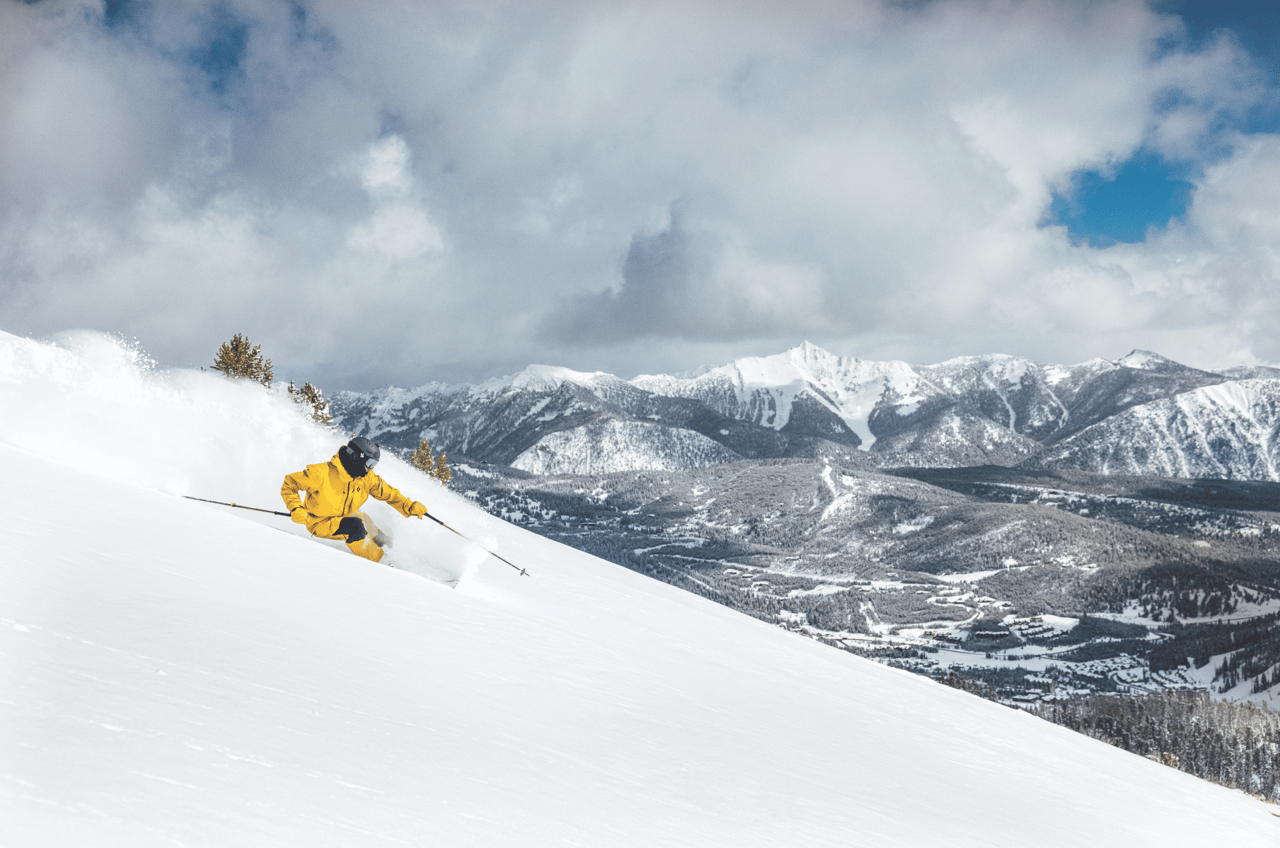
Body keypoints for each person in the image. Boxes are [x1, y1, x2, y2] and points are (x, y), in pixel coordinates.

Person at [280, 436, 428, 563]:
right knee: (355, 526)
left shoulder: (366, 478)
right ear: (356, 458)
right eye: (369, 464)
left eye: (373, 465)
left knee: (366, 521)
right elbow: (290, 483)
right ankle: (382, 562)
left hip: (346, 516)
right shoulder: (321, 473)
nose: (370, 469)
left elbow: (389, 494)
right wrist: (296, 508)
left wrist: (408, 506)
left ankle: (391, 550)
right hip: (319, 522)